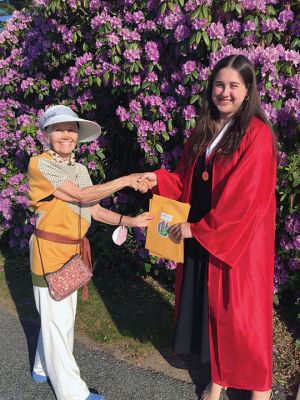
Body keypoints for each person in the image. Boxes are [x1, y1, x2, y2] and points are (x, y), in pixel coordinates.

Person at [138, 55, 277, 400]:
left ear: (248, 92)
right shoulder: (205, 129)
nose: (224, 92)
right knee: (212, 311)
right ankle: (219, 378)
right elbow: (186, 177)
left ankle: (261, 388)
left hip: (237, 239)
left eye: (233, 85)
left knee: (241, 316)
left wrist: (199, 229)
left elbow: (244, 199)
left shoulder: (257, 135)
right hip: (201, 232)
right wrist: (156, 178)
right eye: (219, 84)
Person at [28, 104, 152, 400]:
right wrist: (126, 179)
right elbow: (81, 195)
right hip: (48, 254)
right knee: (58, 322)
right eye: (58, 129)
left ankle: (42, 368)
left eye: (71, 129)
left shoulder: (80, 169)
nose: (65, 135)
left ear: (78, 135)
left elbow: (92, 208)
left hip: (71, 254)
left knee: (60, 319)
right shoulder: (40, 165)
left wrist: (129, 221)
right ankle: (73, 394)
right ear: (47, 133)